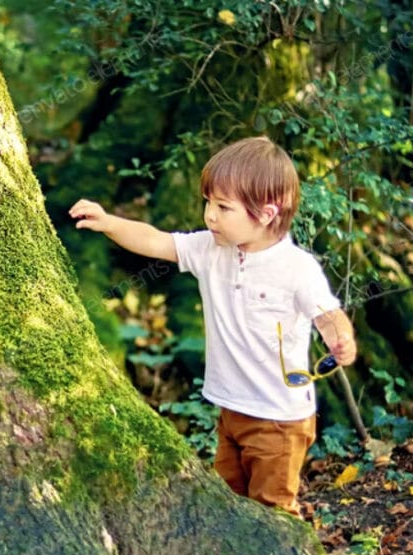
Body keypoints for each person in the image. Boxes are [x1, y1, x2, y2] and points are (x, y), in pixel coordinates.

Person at [68, 136, 357, 518]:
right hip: (230, 410)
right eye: (209, 203)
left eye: (223, 207)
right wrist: (109, 223)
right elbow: (157, 242)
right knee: (229, 507)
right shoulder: (210, 249)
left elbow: (327, 313)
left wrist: (340, 336)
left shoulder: (296, 268)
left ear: (267, 213)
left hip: (279, 420)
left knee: (273, 512)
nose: (210, 215)